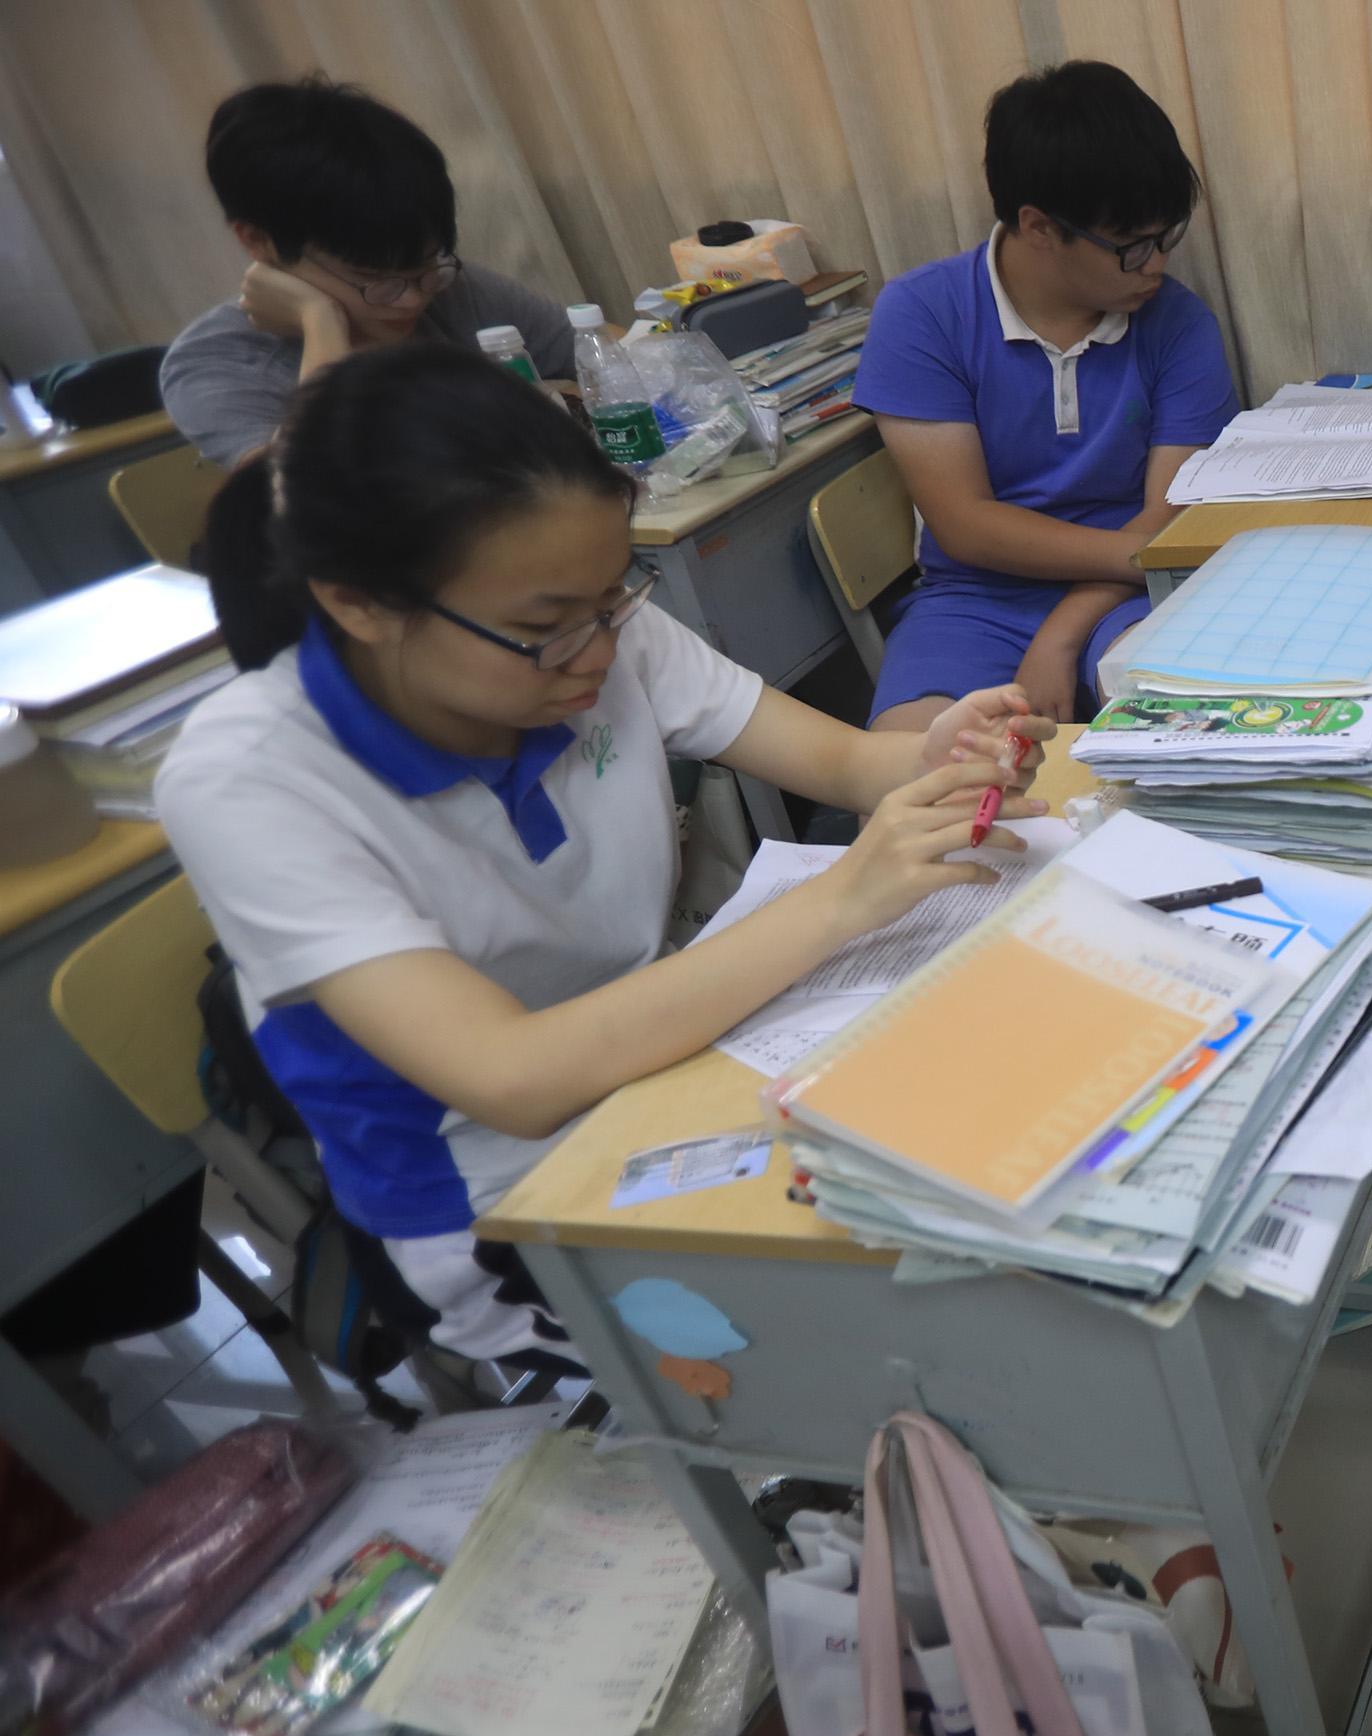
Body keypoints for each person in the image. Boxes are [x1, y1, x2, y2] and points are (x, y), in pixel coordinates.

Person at [158, 343, 1053, 1376]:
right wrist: (846, 894)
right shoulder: (249, 779)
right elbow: (515, 1077)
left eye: (613, 597)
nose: (598, 650)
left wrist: (934, 757)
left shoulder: (590, 631)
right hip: (503, 1197)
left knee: (979, 1211)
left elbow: (846, 759)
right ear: (361, 603)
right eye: (544, 627)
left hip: (674, 1063)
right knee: (877, 1352)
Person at [851, 59, 1241, 733]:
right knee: (910, 782)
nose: (1156, 264)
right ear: (1038, 226)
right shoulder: (922, 313)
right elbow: (967, 526)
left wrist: (1061, 633)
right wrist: (1138, 551)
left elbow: (1166, 523)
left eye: (1165, 237)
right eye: (1129, 246)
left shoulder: (1177, 323)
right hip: (974, 600)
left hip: (1131, 593)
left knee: (1184, 740)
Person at [160, 78, 579, 467]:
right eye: (375, 278)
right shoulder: (216, 362)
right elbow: (304, 498)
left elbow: (597, 351)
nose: (413, 298)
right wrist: (320, 321)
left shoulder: (448, 288)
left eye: (426, 266)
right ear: (256, 240)